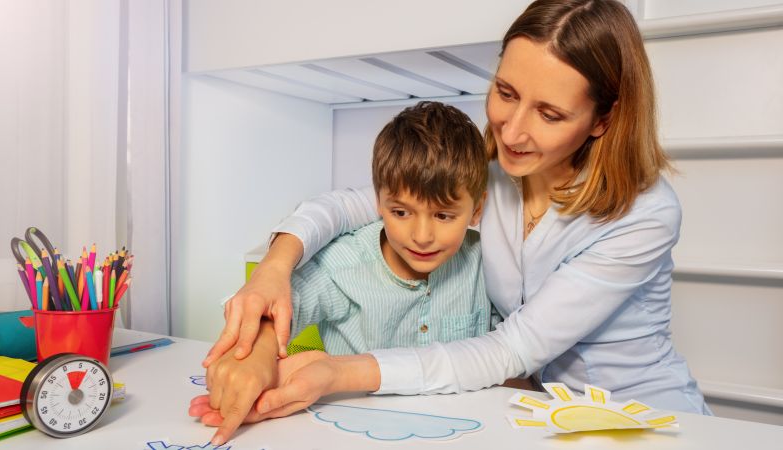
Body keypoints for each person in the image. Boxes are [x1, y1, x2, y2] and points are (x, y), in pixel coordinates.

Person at [196, 0, 712, 445]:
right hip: (536, 414)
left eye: (549, 114)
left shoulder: (646, 213)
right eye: (506, 93)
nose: (512, 130)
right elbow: (357, 204)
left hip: (642, 416)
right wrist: (275, 268)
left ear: (603, 119)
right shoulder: (491, 177)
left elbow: (512, 348)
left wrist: (337, 372)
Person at [191, 101, 508, 443]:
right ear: (377, 203)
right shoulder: (345, 264)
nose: (421, 235)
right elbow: (280, 303)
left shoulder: (485, 264)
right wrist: (259, 354)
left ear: (476, 210)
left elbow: (504, 354)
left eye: (443, 216)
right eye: (401, 212)